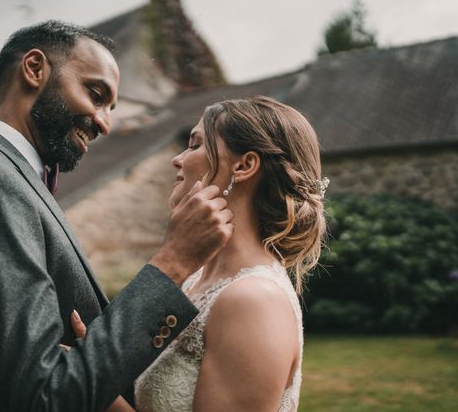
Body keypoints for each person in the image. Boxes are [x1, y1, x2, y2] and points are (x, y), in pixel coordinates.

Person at [0, 20, 234, 412]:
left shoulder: (12, 175)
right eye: (95, 94)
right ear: (34, 69)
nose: (104, 122)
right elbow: (45, 396)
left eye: (110, 107)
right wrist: (174, 261)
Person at [74, 96, 327, 412]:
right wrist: (94, 363)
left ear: (244, 165)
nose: (177, 160)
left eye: (195, 145)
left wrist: (91, 393)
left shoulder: (253, 300)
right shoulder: (192, 278)